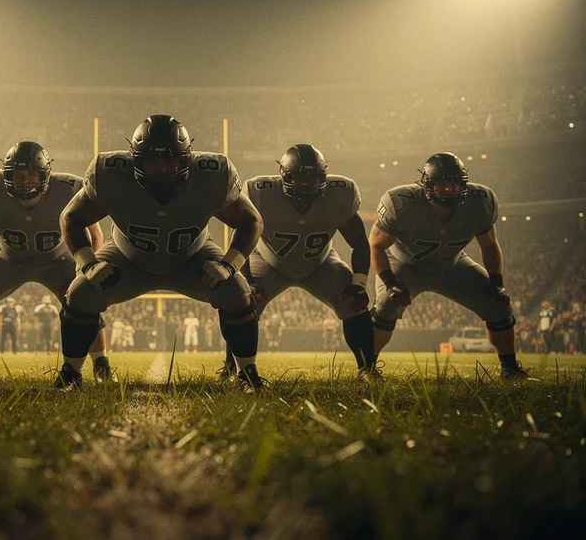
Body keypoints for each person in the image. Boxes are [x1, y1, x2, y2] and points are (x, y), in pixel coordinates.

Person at [59, 115, 266, 391]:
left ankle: (247, 373)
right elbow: (71, 216)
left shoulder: (211, 175)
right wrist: (88, 263)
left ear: (186, 160)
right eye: (152, 161)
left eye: (170, 161)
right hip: (126, 257)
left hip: (192, 256)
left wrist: (230, 264)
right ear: (135, 160)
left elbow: (251, 220)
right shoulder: (111, 173)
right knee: (81, 291)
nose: (162, 169)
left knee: (236, 288)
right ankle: (70, 374)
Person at [0, 142, 114, 382]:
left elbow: (95, 234)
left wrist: (87, 267)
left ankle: (100, 362)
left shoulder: (68, 189)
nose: (25, 180)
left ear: (44, 175)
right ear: (7, 175)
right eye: (19, 174)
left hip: (58, 258)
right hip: (7, 256)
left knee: (84, 298)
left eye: (31, 174)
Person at [220, 145, 376, 379]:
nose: (307, 183)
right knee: (240, 299)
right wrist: (248, 279)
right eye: (300, 176)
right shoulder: (260, 192)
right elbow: (242, 233)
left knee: (354, 302)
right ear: (285, 176)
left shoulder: (340, 194)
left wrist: (360, 284)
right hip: (267, 260)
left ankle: (368, 369)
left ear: (323, 177)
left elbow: (360, 243)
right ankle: (232, 368)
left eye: (313, 177)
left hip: (320, 263)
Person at [369, 153, 529, 379]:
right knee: (385, 306)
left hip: (452, 265)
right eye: (442, 184)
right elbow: (375, 245)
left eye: (455, 184)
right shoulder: (401, 202)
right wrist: (391, 282)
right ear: (427, 184)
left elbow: (490, 246)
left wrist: (497, 284)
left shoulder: (480, 201)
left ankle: (510, 368)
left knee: (499, 307)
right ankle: (367, 368)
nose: (449, 190)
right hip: (405, 266)